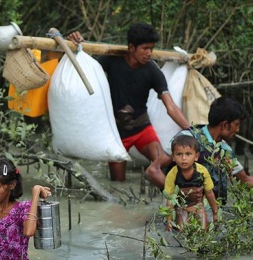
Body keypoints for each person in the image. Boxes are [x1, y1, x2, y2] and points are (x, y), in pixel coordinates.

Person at [67, 23, 191, 181]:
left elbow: (171, 106)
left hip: (142, 129)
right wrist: (76, 46)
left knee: (161, 164)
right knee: (118, 181)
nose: (149, 53)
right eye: (145, 48)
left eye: (151, 49)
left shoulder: (153, 71)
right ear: (131, 48)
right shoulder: (111, 60)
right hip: (116, 133)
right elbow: (86, 68)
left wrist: (190, 129)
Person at [146, 96, 253, 202]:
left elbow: (246, 181)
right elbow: (152, 171)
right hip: (183, 212)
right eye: (237, 124)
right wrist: (181, 194)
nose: (238, 130)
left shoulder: (224, 150)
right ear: (224, 125)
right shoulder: (188, 138)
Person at [163, 135, 218, 231]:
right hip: (182, 207)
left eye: (188, 154)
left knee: (202, 231)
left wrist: (215, 213)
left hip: (198, 206)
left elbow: (209, 194)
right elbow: (170, 200)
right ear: (173, 157)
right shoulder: (172, 174)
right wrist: (169, 221)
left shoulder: (202, 171)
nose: (184, 158)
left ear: (196, 156)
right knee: (182, 232)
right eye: (179, 154)